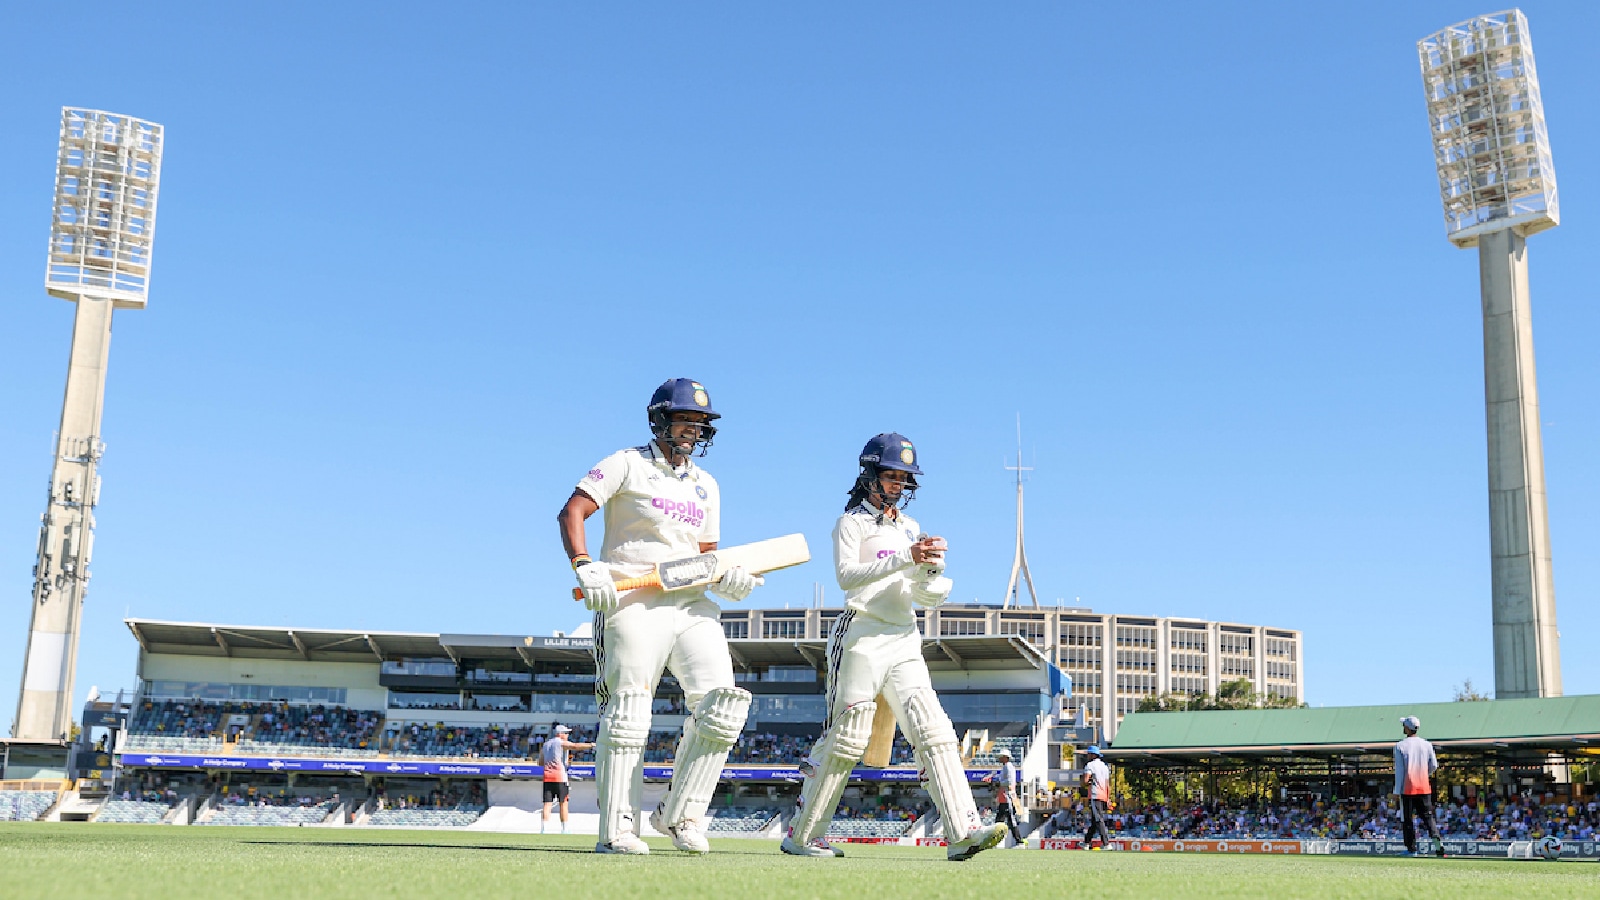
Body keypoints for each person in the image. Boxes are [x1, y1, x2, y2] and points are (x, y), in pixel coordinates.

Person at [781, 433, 1007, 862]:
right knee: (848, 740)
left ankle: (963, 832)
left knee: (934, 731)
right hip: (861, 635)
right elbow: (848, 577)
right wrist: (908, 555)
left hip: (904, 637)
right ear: (869, 475)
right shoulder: (852, 523)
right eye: (890, 476)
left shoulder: (910, 528)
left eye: (904, 478)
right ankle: (804, 836)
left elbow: (918, 592)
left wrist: (932, 578)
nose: (898, 485)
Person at [558, 378, 759, 855]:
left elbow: (707, 556)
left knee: (724, 706)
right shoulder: (626, 463)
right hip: (631, 598)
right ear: (660, 419)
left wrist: (728, 577)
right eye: (686, 419)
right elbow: (572, 511)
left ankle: (680, 815)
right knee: (629, 712)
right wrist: (585, 564)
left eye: (701, 423)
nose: (693, 429)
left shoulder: (706, 485)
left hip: (691, 604)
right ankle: (618, 830)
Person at [1394, 715, 1445, 857]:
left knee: (1408, 819)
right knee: (1428, 817)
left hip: (1407, 787)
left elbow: (1400, 771)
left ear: (1407, 728)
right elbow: (1434, 765)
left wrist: (1396, 791)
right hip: (1423, 786)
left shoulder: (1400, 746)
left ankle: (1411, 849)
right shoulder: (1427, 744)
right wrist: (1423, 773)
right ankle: (1437, 844)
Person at [539, 724, 595, 834]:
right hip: (560, 777)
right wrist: (591, 745)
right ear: (560, 734)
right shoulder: (560, 742)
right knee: (563, 803)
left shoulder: (546, 744)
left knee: (547, 804)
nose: (567, 735)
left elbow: (540, 762)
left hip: (547, 777)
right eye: (566, 733)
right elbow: (575, 746)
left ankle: (544, 829)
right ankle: (565, 829)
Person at [983, 747, 1026, 847]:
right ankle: (994, 842)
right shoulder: (1005, 767)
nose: (999, 759)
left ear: (1005, 757)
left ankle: (1019, 841)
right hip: (1003, 798)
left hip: (1007, 797)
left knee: (1009, 820)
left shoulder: (1008, 767)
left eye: (1001, 757)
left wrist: (998, 783)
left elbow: (1009, 782)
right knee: (998, 821)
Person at [1081, 745, 1112, 849]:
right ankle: (1086, 842)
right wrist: (1108, 798)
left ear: (1093, 755)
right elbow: (1108, 784)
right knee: (1095, 821)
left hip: (1095, 795)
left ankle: (1106, 843)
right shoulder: (1105, 766)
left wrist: (1083, 782)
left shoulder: (1090, 765)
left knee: (1098, 819)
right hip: (1103, 795)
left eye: (1088, 754)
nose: (1087, 756)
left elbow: (1085, 781)